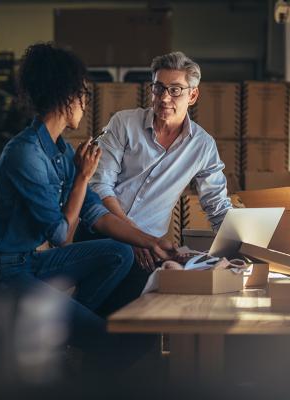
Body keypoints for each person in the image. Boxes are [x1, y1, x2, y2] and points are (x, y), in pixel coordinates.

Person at [0, 43, 177, 359]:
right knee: (105, 338)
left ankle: (63, 330)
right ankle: (73, 331)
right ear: (67, 96)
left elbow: (96, 213)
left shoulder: (60, 150)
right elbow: (61, 236)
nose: (85, 104)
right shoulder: (25, 154)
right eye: (84, 95)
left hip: (27, 262)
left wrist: (152, 243)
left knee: (119, 253)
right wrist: (81, 177)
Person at [78, 51, 232, 312]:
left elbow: (217, 206)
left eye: (175, 90)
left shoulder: (202, 146)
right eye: (158, 88)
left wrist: (240, 245)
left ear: (192, 96)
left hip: (150, 251)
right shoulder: (124, 123)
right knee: (103, 315)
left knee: (145, 318)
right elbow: (99, 185)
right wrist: (133, 236)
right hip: (99, 232)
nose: (164, 98)